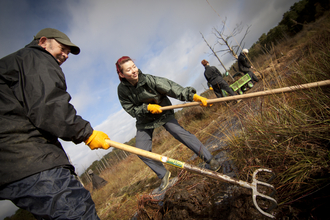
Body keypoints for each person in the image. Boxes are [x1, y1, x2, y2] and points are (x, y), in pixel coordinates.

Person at [0, 28, 111, 220]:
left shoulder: (13, 65)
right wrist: (86, 133)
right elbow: (49, 106)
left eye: (68, 52)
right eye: (62, 48)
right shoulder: (35, 57)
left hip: (12, 166)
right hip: (30, 158)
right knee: (76, 211)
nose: (66, 55)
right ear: (43, 42)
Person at [116, 56, 221, 191]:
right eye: (128, 70)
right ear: (121, 74)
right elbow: (130, 109)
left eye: (134, 67)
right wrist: (146, 108)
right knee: (140, 151)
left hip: (163, 112)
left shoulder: (149, 80)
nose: (134, 71)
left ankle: (209, 159)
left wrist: (193, 96)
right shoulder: (122, 90)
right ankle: (163, 174)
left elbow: (172, 88)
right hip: (144, 119)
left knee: (179, 132)